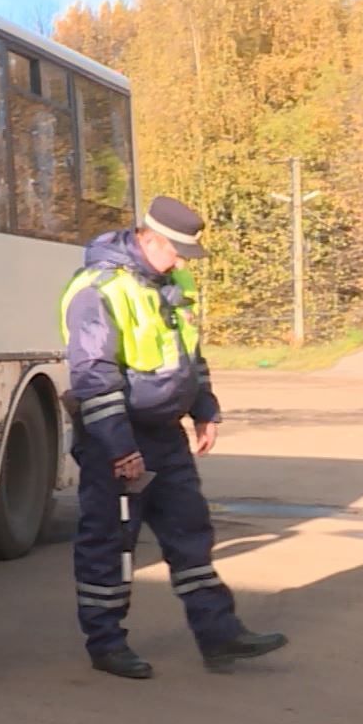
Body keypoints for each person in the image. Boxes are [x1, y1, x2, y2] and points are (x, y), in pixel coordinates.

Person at [60, 196, 285, 678]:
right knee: (111, 545)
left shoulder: (172, 282)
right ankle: (106, 644)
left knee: (190, 534)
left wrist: (205, 410)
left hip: (166, 435)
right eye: (177, 252)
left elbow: (189, 356)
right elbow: (94, 376)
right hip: (117, 439)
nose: (183, 262)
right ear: (150, 239)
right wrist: (120, 448)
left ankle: (219, 635)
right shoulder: (99, 289)